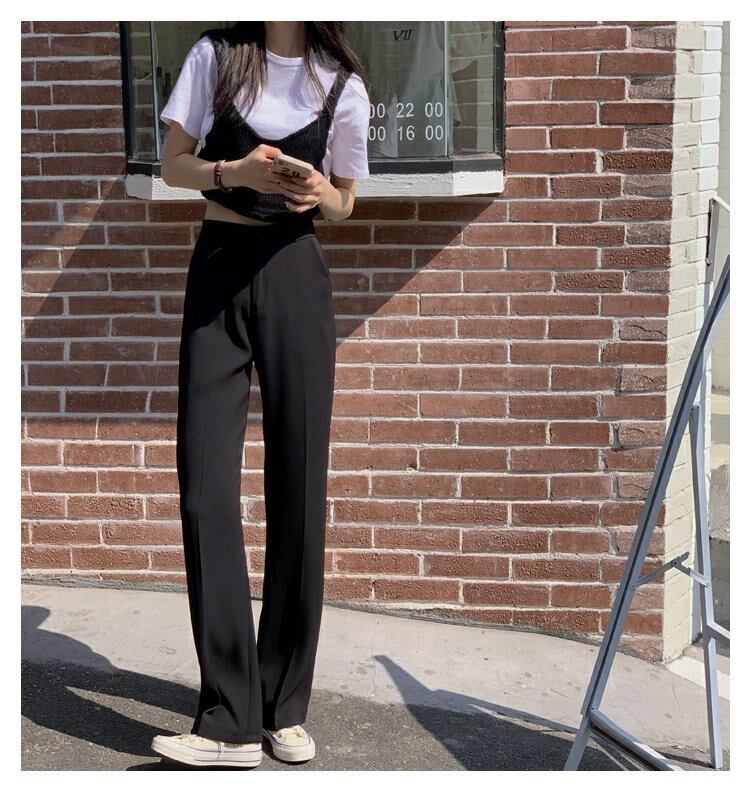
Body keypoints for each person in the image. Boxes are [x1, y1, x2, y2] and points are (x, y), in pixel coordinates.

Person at [149, 21, 370, 768]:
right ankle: (227, 720)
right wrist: (232, 173)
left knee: (299, 484)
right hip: (218, 265)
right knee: (205, 489)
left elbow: (345, 203)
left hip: (295, 271)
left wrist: (319, 191)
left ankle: (283, 707)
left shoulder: (341, 81)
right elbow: (172, 165)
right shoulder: (216, 57)